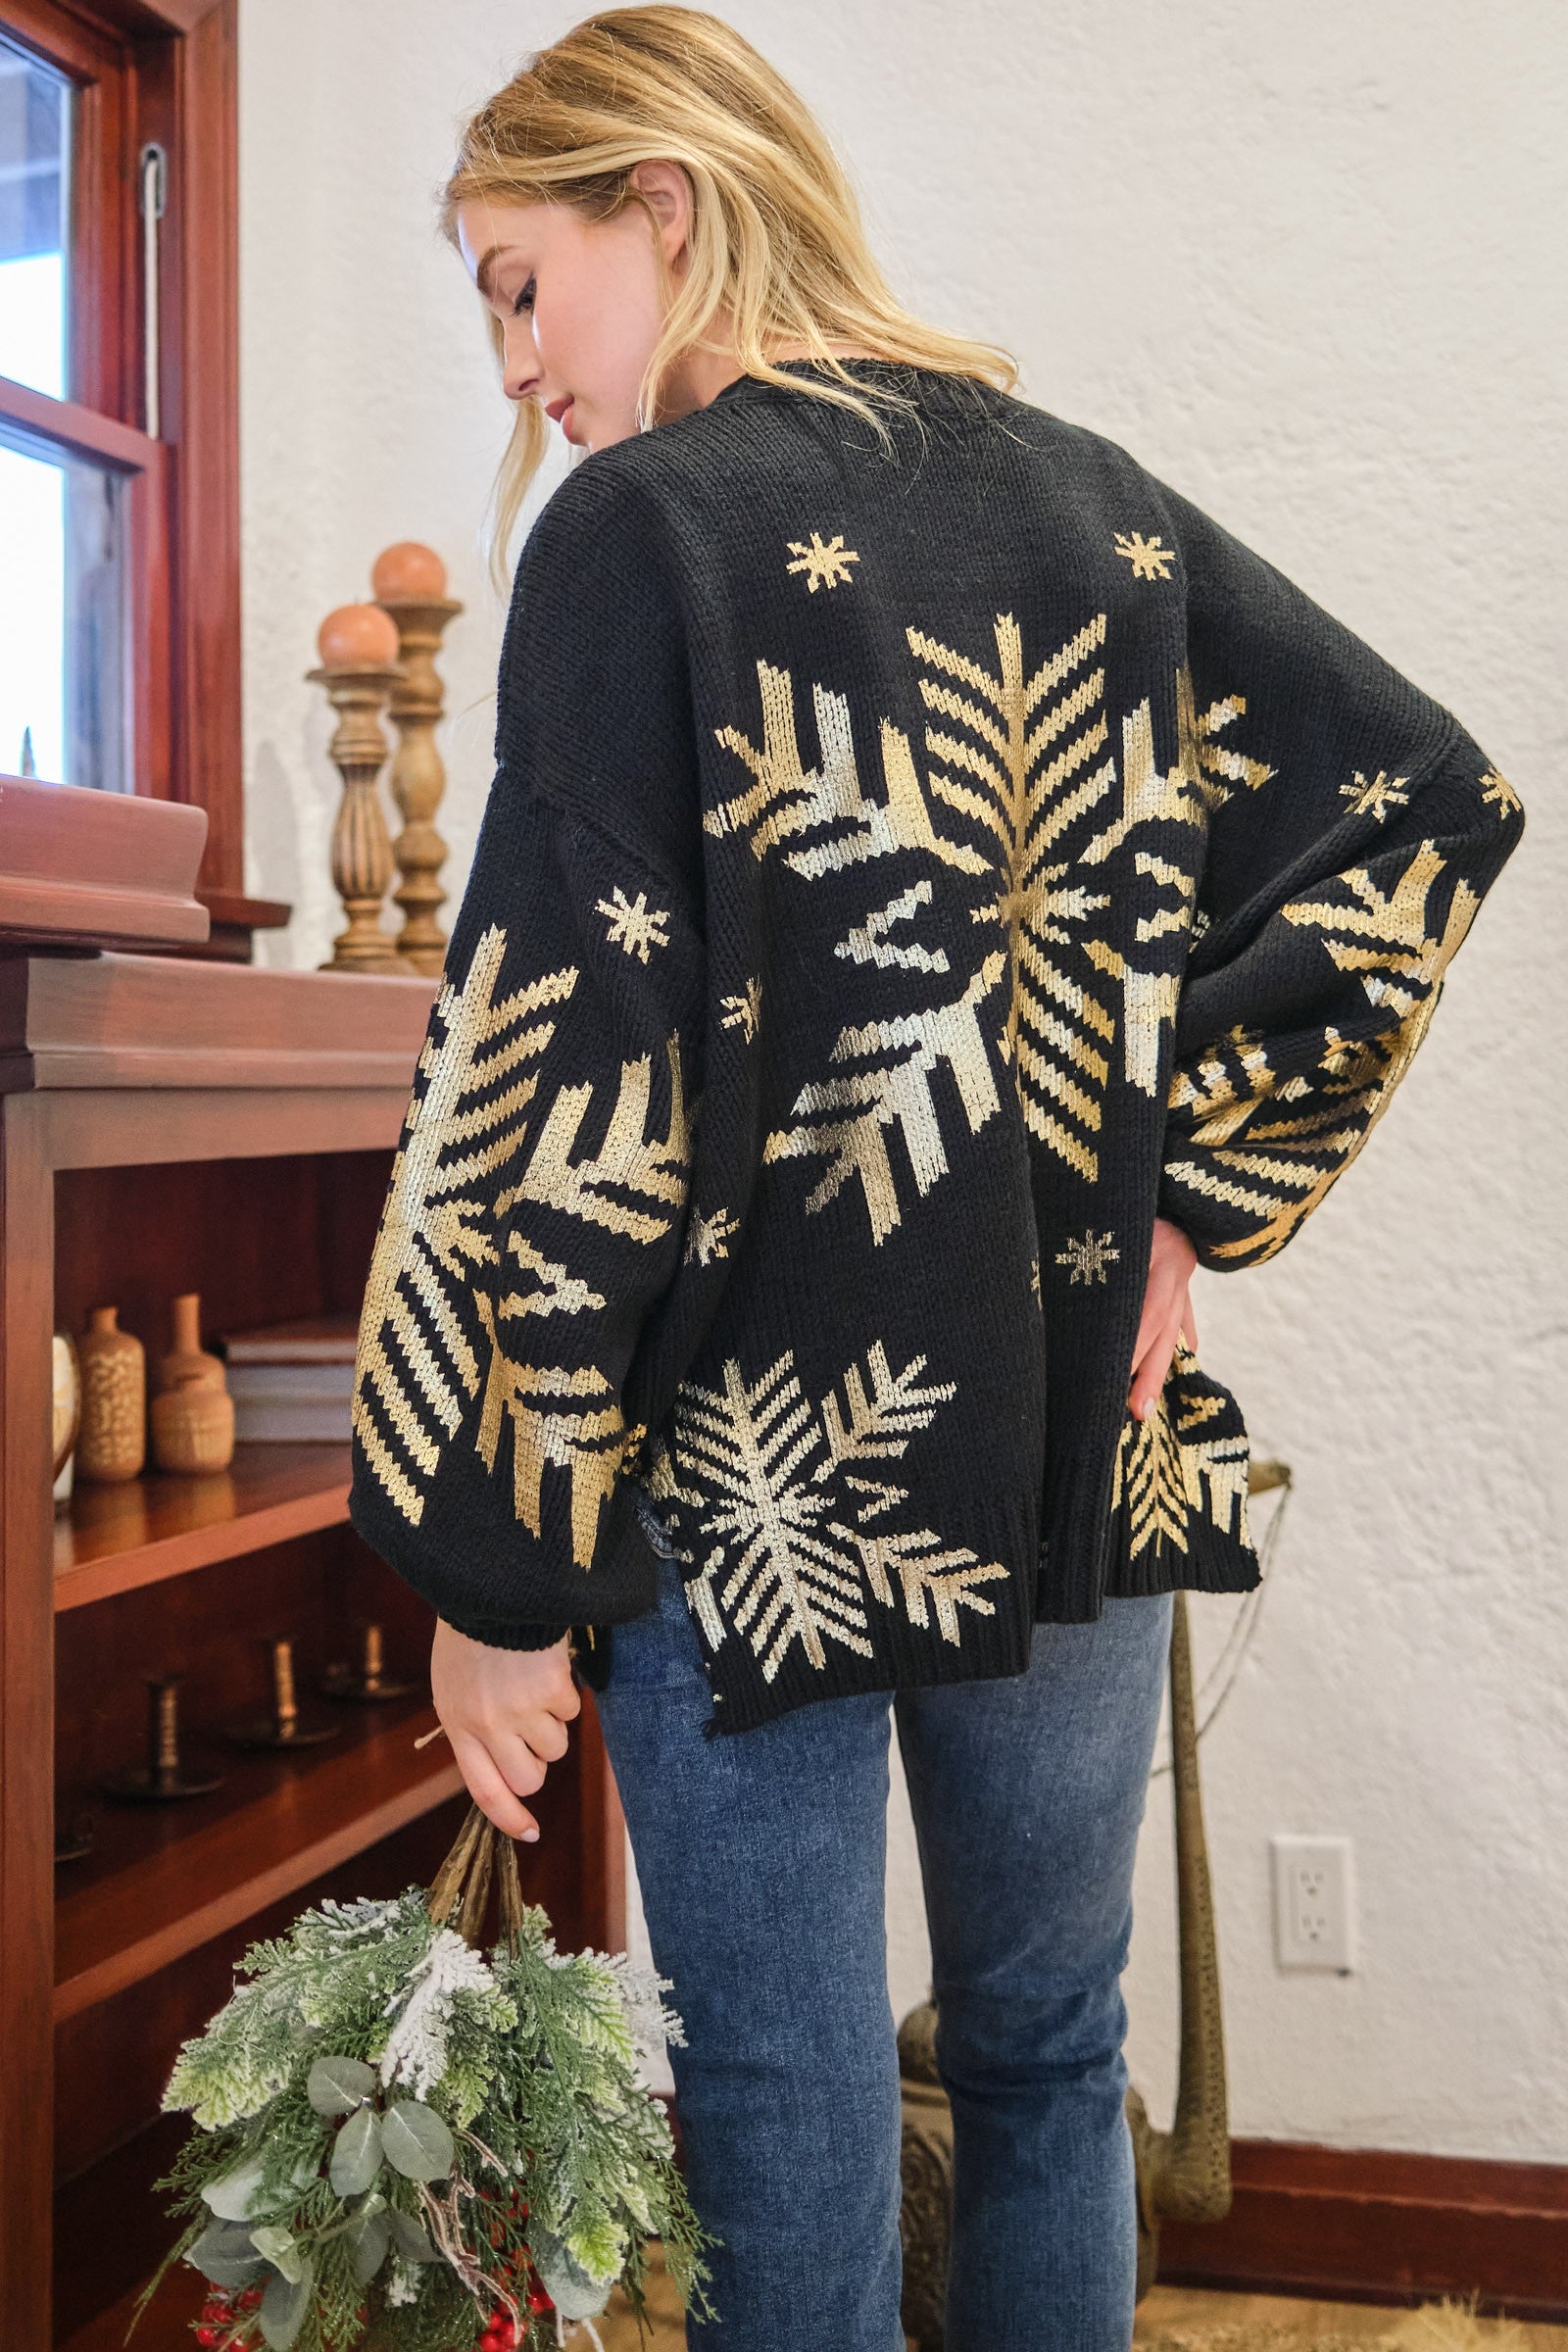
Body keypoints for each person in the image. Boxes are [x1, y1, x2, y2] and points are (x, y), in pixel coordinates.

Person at [346, 11, 1525, 2347]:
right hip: (1065, 1415)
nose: (512, 366)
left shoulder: (637, 537)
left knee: (780, 2101)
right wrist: (1186, 1189)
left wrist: (495, 1569)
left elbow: (550, 1068)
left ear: (659, 209)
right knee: (1045, 2057)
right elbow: (1427, 798)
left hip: (758, 1473)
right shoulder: (1086, 497)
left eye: (516, 281)